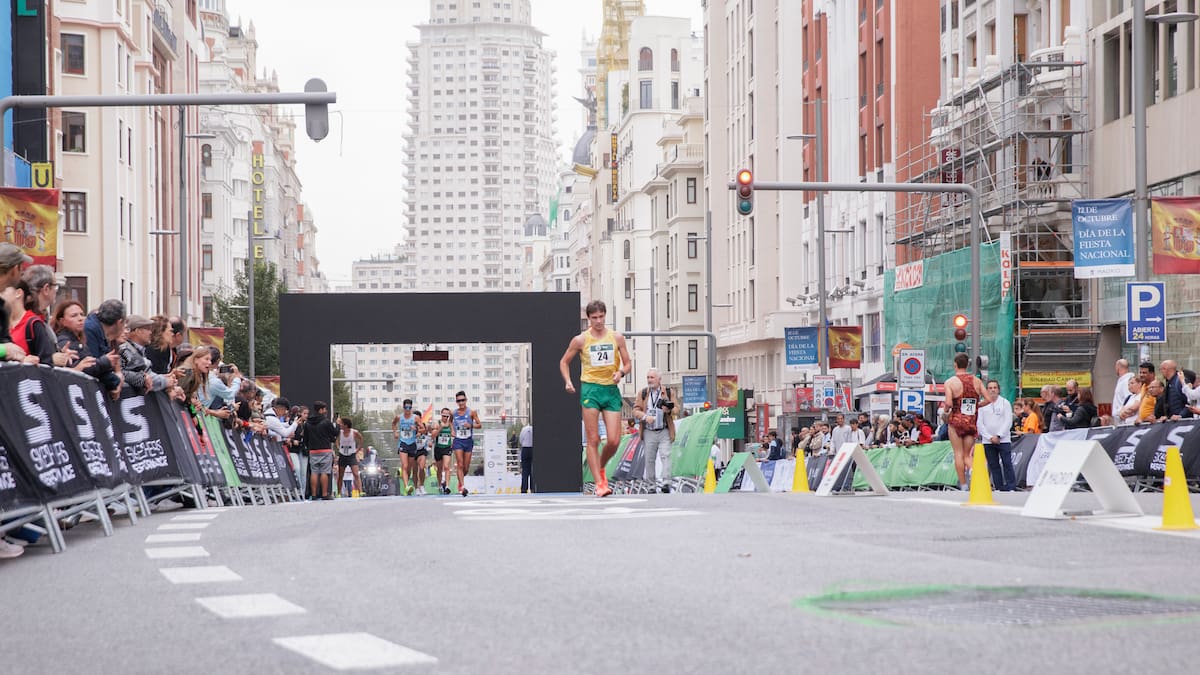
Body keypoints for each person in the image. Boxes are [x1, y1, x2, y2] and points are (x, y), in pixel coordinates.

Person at [559, 300, 631, 498]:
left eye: (601, 317)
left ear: (605, 316)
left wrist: (621, 373)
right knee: (593, 439)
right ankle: (600, 484)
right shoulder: (581, 340)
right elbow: (564, 362)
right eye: (594, 318)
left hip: (610, 389)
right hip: (590, 389)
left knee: (614, 440)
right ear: (589, 319)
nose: (598, 321)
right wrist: (568, 381)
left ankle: (600, 467)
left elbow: (627, 364)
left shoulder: (616, 337)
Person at [944, 352, 988, 491]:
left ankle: (963, 484)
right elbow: (988, 399)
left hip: (956, 420)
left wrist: (945, 410)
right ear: (968, 365)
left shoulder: (950, 382)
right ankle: (975, 471)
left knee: (958, 453)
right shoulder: (977, 381)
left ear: (955, 365)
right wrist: (976, 405)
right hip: (970, 420)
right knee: (967, 454)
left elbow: (949, 403)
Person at [634, 368, 676, 492]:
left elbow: (677, 408)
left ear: (659, 379)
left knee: (666, 455)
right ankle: (651, 485)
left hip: (664, 429)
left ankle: (666, 483)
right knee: (649, 459)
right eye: (648, 377)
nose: (649, 380)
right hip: (648, 431)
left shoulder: (668, 392)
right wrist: (646, 417)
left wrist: (669, 410)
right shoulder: (642, 393)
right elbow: (635, 410)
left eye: (652, 377)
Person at [118, 315, 177, 393]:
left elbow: (147, 374)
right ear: (138, 331)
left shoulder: (140, 351)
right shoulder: (125, 350)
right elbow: (121, 373)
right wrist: (165, 381)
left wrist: (163, 377)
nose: (151, 332)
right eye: (148, 329)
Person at [978, 380, 1016, 491]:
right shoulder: (982, 405)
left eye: (995, 387)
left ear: (998, 389)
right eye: (990, 388)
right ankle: (998, 486)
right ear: (986, 390)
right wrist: (989, 437)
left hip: (1003, 440)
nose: (992, 390)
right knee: (993, 464)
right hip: (988, 440)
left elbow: (1008, 421)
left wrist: (999, 435)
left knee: (1007, 463)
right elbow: (980, 423)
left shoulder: (1005, 403)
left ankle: (1011, 486)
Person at [450, 391, 482, 497]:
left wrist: (471, 425)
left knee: (466, 467)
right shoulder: (454, 413)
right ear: (456, 402)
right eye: (459, 401)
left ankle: (460, 481)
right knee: (460, 464)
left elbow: (479, 425)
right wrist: (452, 431)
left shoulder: (472, 412)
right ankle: (462, 487)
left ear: (466, 400)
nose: (461, 403)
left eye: (462, 400)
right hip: (458, 440)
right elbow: (450, 422)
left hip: (468, 440)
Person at [305, 401, 339, 500]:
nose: (326, 411)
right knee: (324, 472)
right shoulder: (326, 421)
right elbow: (335, 433)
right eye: (324, 409)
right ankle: (324, 493)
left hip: (313, 450)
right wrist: (337, 424)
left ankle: (314, 494)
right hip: (325, 449)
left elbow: (306, 438)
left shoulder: (308, 422)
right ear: (320, 410)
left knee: (314, 472)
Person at [392, 399, 424, 495]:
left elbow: (423, 429)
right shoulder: (399, 417)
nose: (407, 409)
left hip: (412, 444)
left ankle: (408, 486)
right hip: (403, 443)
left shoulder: (415, 418)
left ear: (411, 408)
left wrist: (417, 430)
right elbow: (393, 424)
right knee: (404, 466)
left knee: (409, 468)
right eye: (406, 407)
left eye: (409, 407)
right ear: (403, 407)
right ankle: (406, 486)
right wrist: (395, 432)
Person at [335, 416, 364, 497]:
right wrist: (338, 447)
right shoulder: (340, 432)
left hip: (351, 455)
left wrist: (358, 449)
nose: (340, 425)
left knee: (356, 474)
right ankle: (339, 493)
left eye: (341, 424)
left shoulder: (354, 432)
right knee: (340, 475)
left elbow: (361, 438)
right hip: (342, 454)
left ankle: (360, 491)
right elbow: (336, 439)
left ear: (346, 425)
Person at [430, 407, 455, 495]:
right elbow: (433, 435)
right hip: (438, 448)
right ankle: (440, 485)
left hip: (447, 447)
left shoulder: (450, 424)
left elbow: (453, 434)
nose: (445, 417)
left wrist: (451, 430)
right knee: (439, 469)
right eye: (444, 415)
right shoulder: (437, 423)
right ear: (441, 415)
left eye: (447, 416)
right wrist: (440, 428)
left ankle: (447, 486)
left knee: (447, 466)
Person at [519, 421, 534, 494]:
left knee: (525, 470)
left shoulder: (523, 429)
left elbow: (520, 440)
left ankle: (524, 489)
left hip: (525, 449)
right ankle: (532, 487)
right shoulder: (534, 429)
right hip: (532, 449)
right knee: (532, 470)